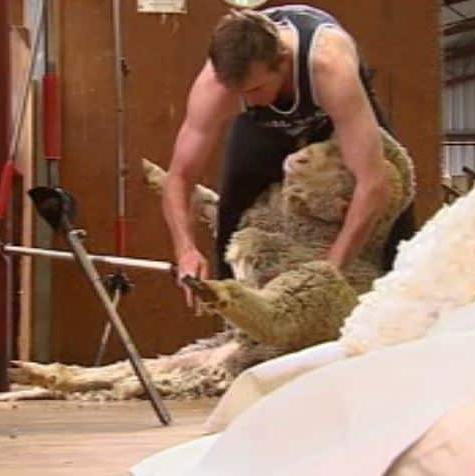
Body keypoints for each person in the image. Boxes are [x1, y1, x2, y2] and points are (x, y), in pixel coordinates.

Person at [162, 5, 415, 306]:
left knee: (395, 214)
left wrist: (327, 275)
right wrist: (185, 250)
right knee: (231, 220)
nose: (248, 99)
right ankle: (240, 323)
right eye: (238, 92)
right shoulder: (216, 87)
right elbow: (179, 178)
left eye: (255, 88)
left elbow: (373, 183)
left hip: (332, 112)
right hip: (265, 124)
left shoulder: (329, 68)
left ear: (283, 61)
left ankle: (396, 310)